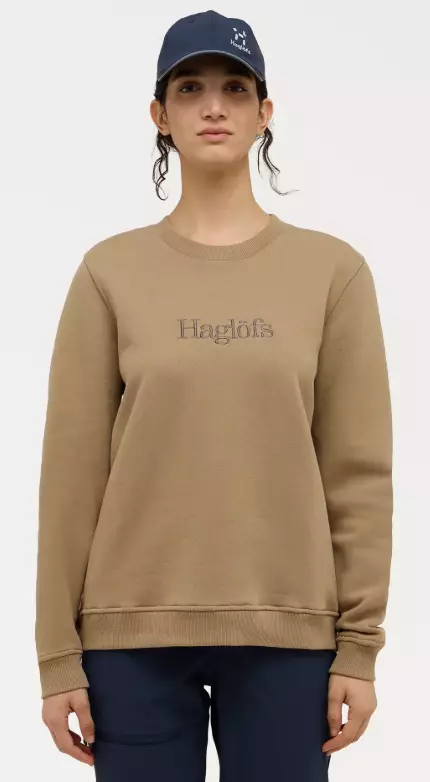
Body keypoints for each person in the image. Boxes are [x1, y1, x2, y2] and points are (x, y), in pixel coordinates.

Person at [35, 10, 393, 781]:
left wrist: (359, 648)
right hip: (129, 637)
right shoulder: (108, 273)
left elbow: (358, 474)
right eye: (190, 88)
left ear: (265, 113)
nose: (213, 106)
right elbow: (70, 477)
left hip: (289, 635)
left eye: (235, 89)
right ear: (160, 115)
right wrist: (57, 655)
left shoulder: (333, 274)